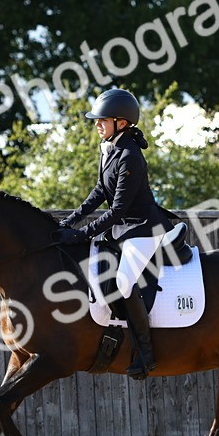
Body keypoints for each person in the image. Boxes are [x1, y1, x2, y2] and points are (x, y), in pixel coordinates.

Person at [53, 88, 177, 380]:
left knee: (122, 282)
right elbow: (99, 192)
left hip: (143, 229)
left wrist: (82, 234)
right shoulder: (109, 147)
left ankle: (145, 353)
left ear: (121, 122)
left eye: (102, 120)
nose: (97, 124)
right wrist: (69, 221)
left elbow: (118, 209)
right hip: (124, 228)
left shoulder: (130, 156)